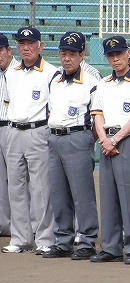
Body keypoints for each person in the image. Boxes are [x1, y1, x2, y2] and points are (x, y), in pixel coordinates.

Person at [90, 36, 130, 265]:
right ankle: (111, 247)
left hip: (127, 139)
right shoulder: (102, 84)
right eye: (111, 55)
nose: (115, 59)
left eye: (119, 54)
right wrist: (105, 140)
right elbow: (97, 115)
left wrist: (113, 140)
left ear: (128, 54)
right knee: (107, 195)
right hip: (107, 141)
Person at [42, 32, 99, 260]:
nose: (67, 58)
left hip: (78, 136)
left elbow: (97, 118)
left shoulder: (92, 82)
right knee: (59, 193)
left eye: (72, 54)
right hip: (54, 138)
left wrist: (86, 140)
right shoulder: (55, 80)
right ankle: (63, 240)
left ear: (82, 54)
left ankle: (87, 241)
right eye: (64, 53)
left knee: (82, 194)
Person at [1, 26, 57, 254]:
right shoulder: (11, 73)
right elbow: (7, 103)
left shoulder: (51, 72)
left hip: (38, 130)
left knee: (41, 187)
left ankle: (44, 238)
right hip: (14, 131)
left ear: (40, 46)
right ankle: (20, 237)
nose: (26, 48)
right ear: (16, 46)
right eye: (22, 44)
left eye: (31, 43)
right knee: (15, 186)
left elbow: (53, 107)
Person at [0, 34, 19, 238]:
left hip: (13, 128)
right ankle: (3, 225)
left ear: (8, 51)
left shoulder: (18, 71)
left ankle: (26, 227)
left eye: (0, 50)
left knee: (18, 180)